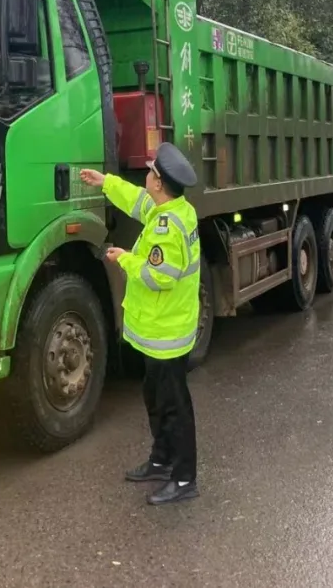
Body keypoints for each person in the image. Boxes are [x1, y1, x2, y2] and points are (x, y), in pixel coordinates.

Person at [79, 143, 202, 505]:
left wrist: (125, 259)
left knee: (175, 406)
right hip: (157, 332)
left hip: (168, 333)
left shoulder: (168, 226)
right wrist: (106, 182)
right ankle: (162, 460)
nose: (146, 177)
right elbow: (136, 200)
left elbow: (158, 276)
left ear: (160, 184)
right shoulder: (172, 209)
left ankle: (184, 479)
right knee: (156, 399)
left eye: (150, 173)